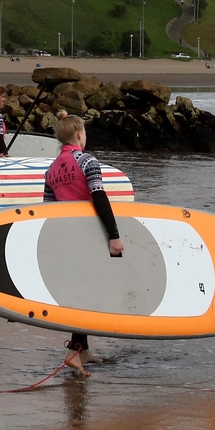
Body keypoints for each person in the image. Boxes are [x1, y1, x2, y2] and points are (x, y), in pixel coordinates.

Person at [43, 112, 124, 375]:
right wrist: (114, 234)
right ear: (79, 134)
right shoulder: (87, 161)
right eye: (85, 133)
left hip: (67, 236)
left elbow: (48, 209)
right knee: (90, 294)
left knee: (81, 291)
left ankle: (84, 350)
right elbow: (100, 197)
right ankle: (73, 352)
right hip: (89, 234)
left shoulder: (51, 169)